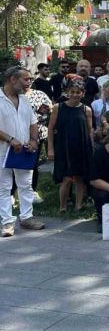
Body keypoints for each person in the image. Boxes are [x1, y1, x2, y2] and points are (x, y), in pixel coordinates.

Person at [0, 67, 44, 237]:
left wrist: (33, 140)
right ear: (12, 79)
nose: (29, 83)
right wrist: (10, 139)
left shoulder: (24, 99)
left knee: (26, 184)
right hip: (3, 150)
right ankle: (7, 222)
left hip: (24, 150)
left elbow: (33, 122)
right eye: (26, 79)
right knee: (4, 187)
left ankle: (26, 217)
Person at [47, 78, 93, 212]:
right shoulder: (58, 107)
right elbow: (50, 128)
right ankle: (62, 206)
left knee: (80, 178)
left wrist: (90, 148)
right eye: (72, 92)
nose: (75, 95)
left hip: (81, 146)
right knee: (66, 178)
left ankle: (78, 205)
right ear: (67, 92)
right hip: (63, 146)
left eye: (78, 92)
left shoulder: (86, 109)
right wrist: (50, 148)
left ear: (83, 93)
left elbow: (90, 130)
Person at [22, 71, 52, 202]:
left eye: (30, 79)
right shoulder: (11, 96)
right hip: (15, 134)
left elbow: (47, 111)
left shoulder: (39, 94)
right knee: (12, 164)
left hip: (36, 134)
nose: (28, 82)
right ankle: (11, 193)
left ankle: (32, 191)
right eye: (25, 79)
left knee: (32, 164)